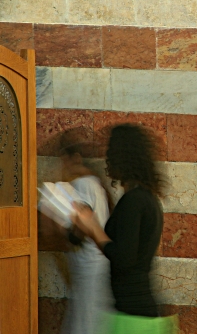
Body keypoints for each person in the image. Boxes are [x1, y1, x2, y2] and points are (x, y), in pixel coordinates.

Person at [71, 124, 176, 333]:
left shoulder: (135, 200)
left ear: (122, 156)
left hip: (134, 318)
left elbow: (124, 258)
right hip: (136, 314)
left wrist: (93, 228)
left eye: (110, 152)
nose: (106, 158)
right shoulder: (144, 198)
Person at [58, 132, 113, 334]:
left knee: (85, 325)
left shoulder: (83, 184)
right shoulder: (94, 183)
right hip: (94, 269)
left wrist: (62, 231)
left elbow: (80, 228)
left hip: (89, 269)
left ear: (76, 158)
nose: (63, 164)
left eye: (64, 159)